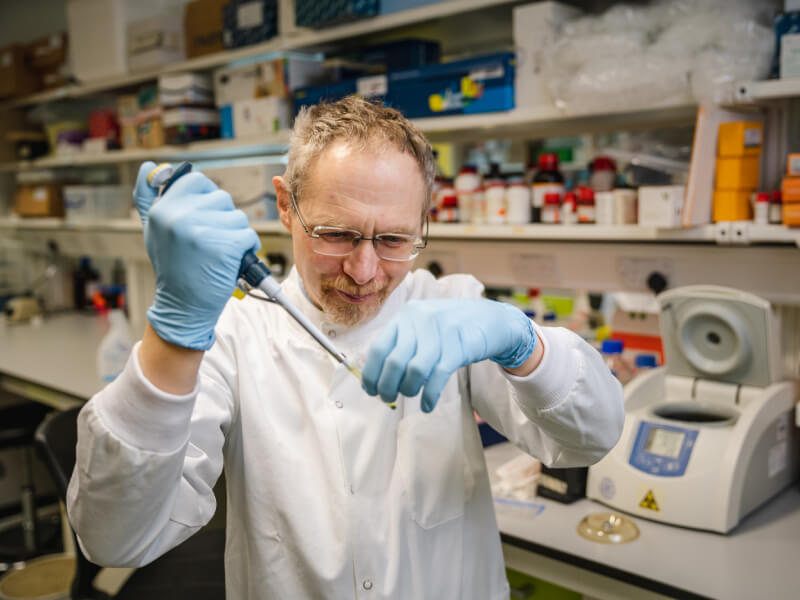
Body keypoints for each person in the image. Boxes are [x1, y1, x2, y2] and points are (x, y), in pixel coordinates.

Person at [68, 96, 624, 600]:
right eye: (335, 233)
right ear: (286, 206)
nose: (363, 271)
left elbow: (592, 436)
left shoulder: (452, 307)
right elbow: (116, 540)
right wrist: (174, 333)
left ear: (423, 221)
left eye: (394, 240)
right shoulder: (232, 338)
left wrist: (523, 343)